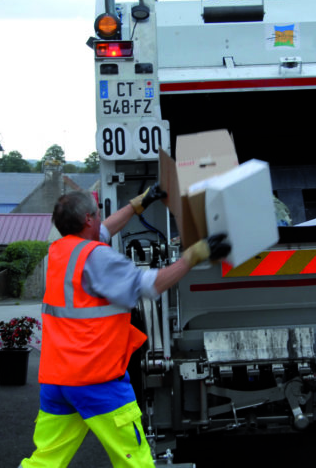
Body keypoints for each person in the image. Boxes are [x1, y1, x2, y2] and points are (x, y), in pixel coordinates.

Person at [20, 186, 230, 468]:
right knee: (136, 461)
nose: (100, 217)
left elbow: (103, 230)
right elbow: (151, 284)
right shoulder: (98, 258)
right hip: (97, 380)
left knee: (44, 460)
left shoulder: (60, 251)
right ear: (87, 219)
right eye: (97, 213)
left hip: (57, 380)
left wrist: (138, 205)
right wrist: (193, 256)